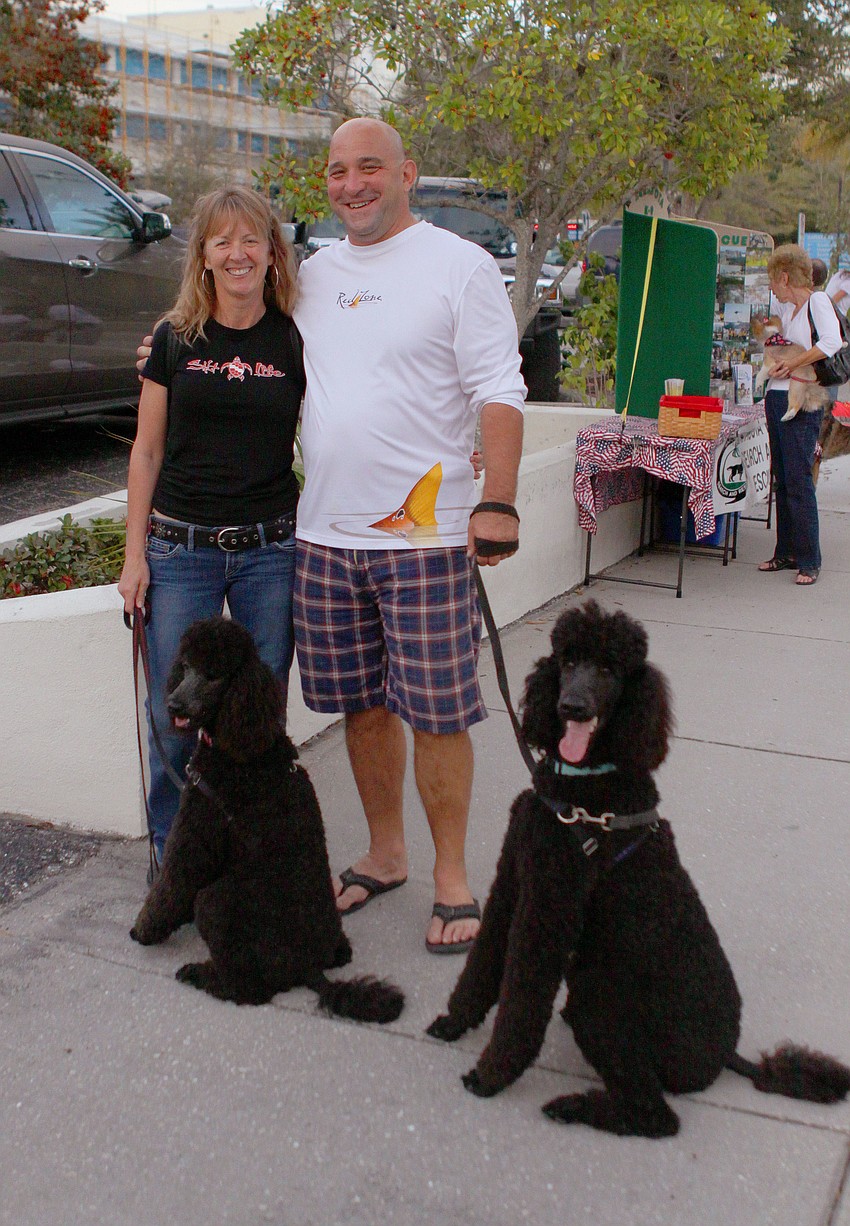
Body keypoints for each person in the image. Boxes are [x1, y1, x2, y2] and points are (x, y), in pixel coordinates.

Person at [293, 117, 525, 953]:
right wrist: (166, 345)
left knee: (436, 714)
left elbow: (500, 388)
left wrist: (498, 501)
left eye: (369, 167)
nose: (351, 184)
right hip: (325, 535)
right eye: (337, 170)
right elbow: (238, 327)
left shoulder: (459, 266)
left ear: (407, 174)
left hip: (426, 539)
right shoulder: (311, 275)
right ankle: (385, 854)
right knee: (361, 709)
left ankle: (452, 877)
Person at [120, 186, 304, 869]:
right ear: (202, 255)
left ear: (271, 253)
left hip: (270, 552)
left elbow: (354, 413)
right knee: (175, 715)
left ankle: (250, 852)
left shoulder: (295, 339)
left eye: (251, 239)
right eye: (222, 241)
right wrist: (134, 556)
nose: (238, 253)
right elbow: (146, 451)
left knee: (259, 716)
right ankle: (175, 855)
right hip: (180, 552)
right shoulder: (174, 339)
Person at [757, 243, 842, 587]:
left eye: (773, 281)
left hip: (804, 401)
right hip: (778, 396)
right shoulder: (789, 309)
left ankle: (809, 558)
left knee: (799, 479)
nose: (772, 289)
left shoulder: (817, 302)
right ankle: (787, 550)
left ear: (784, 277)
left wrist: (792, 363)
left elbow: (831, 342)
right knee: (783, 479)